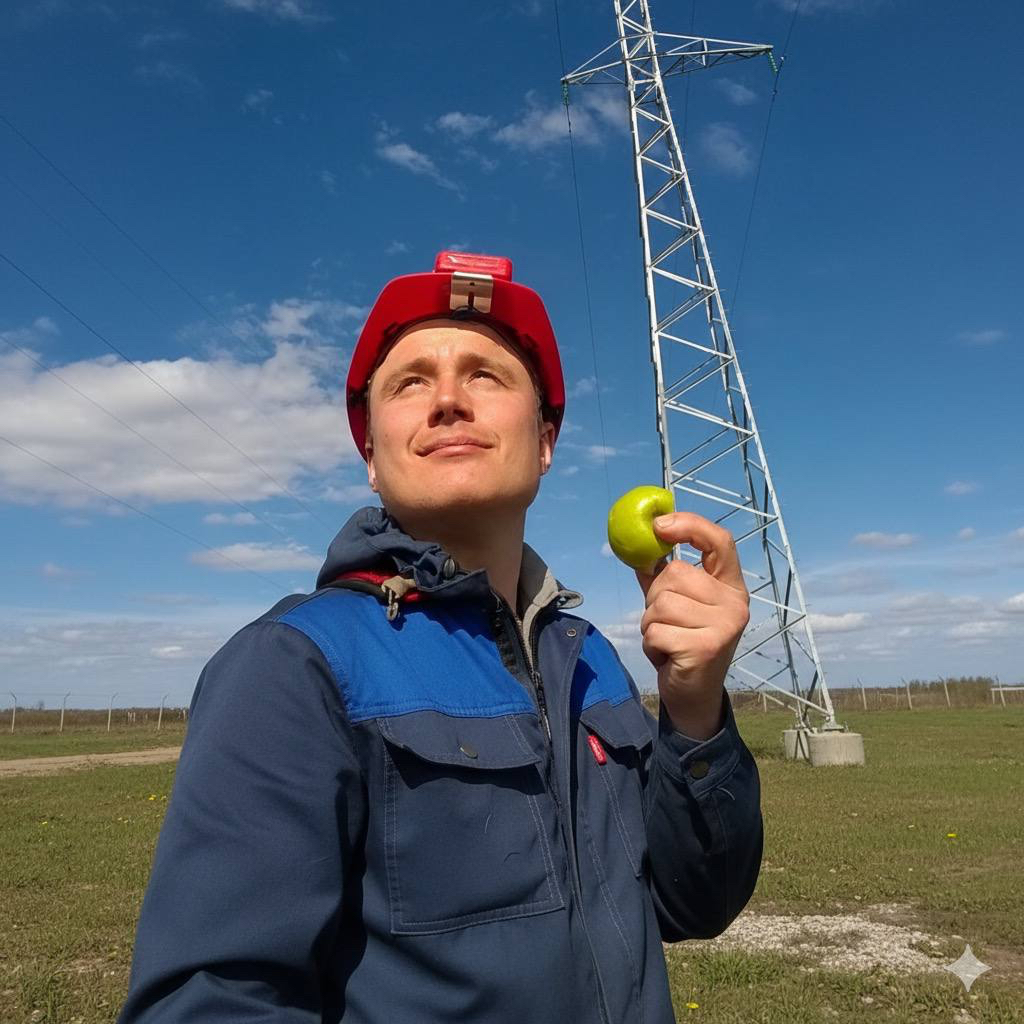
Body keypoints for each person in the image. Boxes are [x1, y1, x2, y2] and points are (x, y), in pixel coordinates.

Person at [118, 250, 763, 1024]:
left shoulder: (587, 655)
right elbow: (213, 999)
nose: (449, 401)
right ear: (370, 457)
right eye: (410, 382)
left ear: (546, 440)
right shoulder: (296, 663)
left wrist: (694, 708)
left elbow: (691, 903)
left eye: (486, 376)